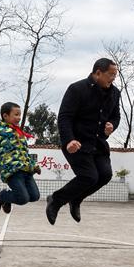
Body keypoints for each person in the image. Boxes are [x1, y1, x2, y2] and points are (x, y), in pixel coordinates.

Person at [45, 58, 121, 225]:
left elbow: (116, 116)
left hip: (99, 144)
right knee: (89, 176)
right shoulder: (76, 89)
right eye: (111, 74)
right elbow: (65, 117)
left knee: (105, 175)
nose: (113, 78)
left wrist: (112, 125)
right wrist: (69, 140)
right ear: (98, 72)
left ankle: (76, 199)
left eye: (115, 75)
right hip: (77, 143)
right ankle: (56, 200)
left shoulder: (115, 93)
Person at [0, 102, 42, 214]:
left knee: (34, 196)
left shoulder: (19, 133)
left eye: (20, 115)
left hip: (27, 171)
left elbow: (25, 153)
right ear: (5, 116)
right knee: (23, 198)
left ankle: (6, 199)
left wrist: (34, 166)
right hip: (12, 171)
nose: (19, 118)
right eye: (16, 115)